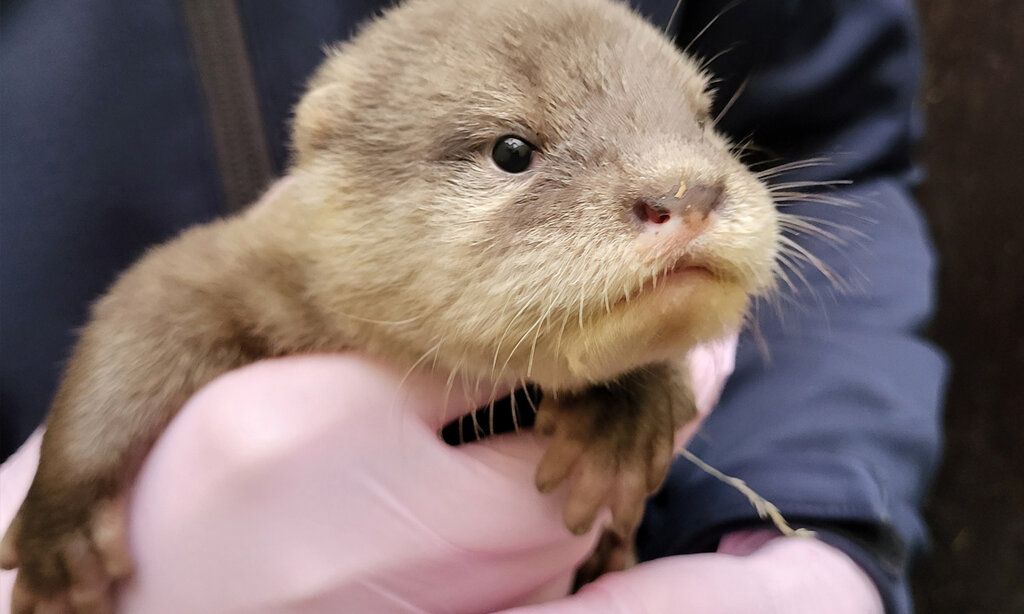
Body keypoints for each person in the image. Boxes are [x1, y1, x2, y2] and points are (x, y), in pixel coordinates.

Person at [0, 0, 946, 612]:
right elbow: (155, 315)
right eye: (512, 155)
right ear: (334, 170)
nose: (690, 183)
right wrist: (59, 514)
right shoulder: (254, 277)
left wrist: (809, 540)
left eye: (698, 125)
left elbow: (839, 148)